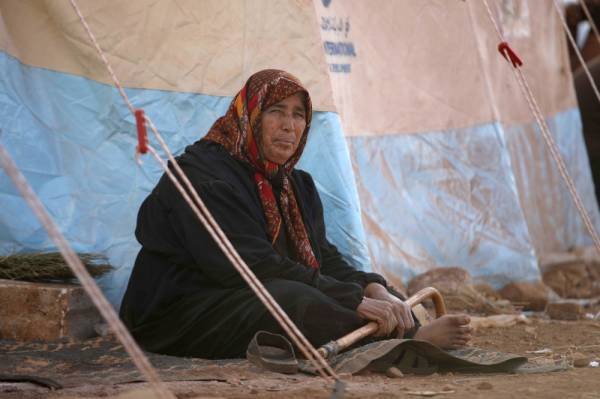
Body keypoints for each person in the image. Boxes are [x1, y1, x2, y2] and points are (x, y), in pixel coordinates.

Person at [120, 69, 471, 359]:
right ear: (250, 116)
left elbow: (323, 258)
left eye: (299, 114)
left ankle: (396, 326)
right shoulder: (203, 174)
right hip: (177, 314)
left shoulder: (294, 184)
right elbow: (251, 267)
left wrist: (372, 286)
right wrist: (354, 299)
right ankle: (410, 338)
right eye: (276, 110)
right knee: (295, 298)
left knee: (364, 293)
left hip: (242, 294)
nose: (289, 125)